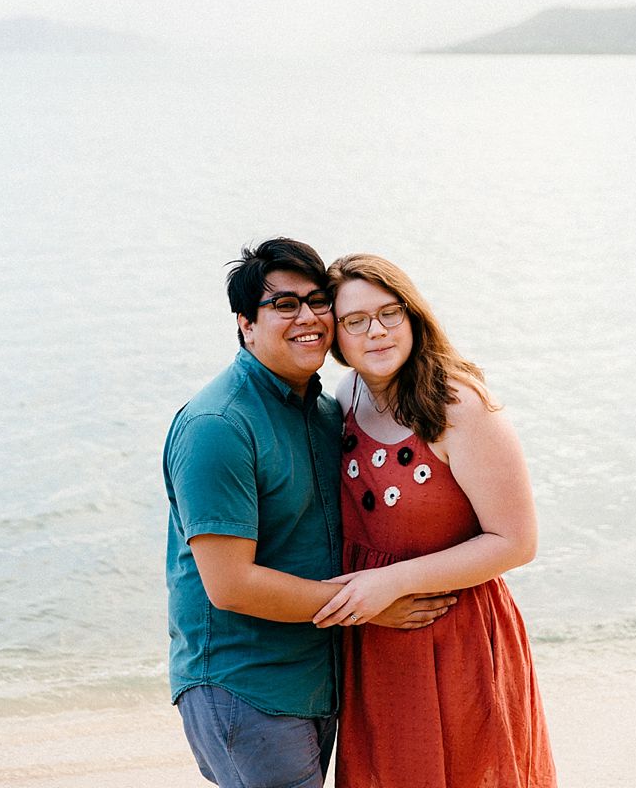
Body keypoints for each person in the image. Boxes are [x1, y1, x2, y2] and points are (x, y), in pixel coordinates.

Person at [163, 238, 455, 788]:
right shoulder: (217, 426)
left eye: (319, 301)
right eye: (284, 304)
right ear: (246, 324)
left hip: (317, 678)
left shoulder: (325, 412)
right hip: (244, 683)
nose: (309, 318)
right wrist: (370, 605)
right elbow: (230, 585)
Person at [311, 254, 554, 786]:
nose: (375, 331)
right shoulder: (345, 398)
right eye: (355, 320)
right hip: (375, 634)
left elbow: (516, 541)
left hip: (455, 630)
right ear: (335, 337)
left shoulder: (459, 405)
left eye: (390, 313)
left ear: (414, 317)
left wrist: (391, 582)